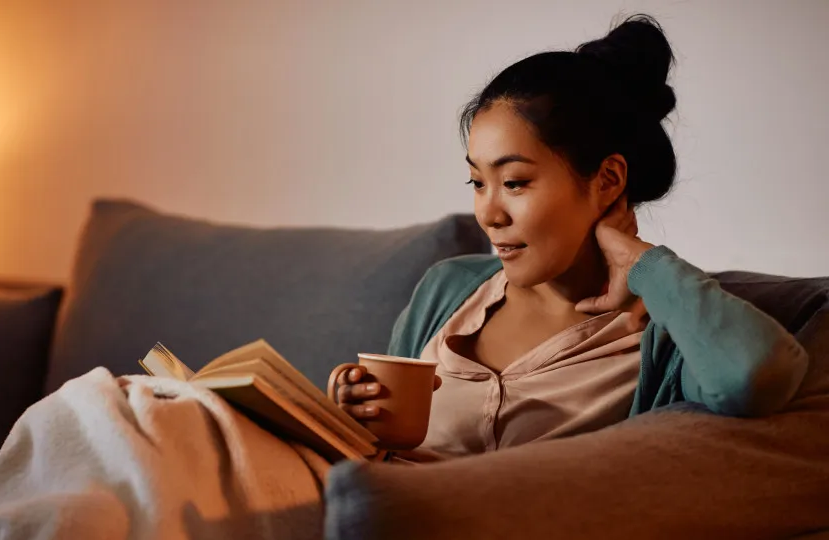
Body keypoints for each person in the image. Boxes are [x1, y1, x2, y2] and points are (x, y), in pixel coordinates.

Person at [331, 14, 809, 459]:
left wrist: (644, 263)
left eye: (514, 182)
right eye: (477, 182)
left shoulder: (662, 330)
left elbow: (755, 377)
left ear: (607, 180)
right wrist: (351, 409)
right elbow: (377, 452)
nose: (488, 213)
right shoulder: (447, 288)